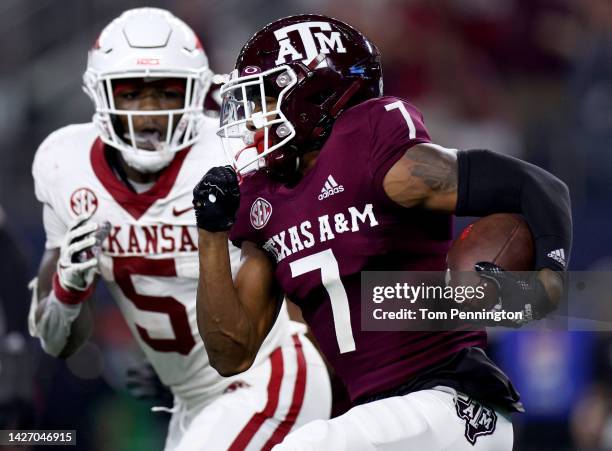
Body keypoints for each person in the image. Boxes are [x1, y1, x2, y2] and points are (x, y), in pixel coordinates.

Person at [193, 14, 572, 450]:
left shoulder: (370, 144)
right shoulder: (263, 202)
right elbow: (230, 353)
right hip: (382, 419)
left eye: (266, 97)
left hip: (453, 405)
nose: (254, 116)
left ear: (314, 93)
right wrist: (212, 233)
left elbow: (536, 186)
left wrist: (546, 282)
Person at [29, 8, 331, 451]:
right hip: (192, 401)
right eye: (131, 93)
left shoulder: (235, 151)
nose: (150, 112)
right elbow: (58, 342)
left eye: (167, 92)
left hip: (268, 376)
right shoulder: (63, 165)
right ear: (101, 93)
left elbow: (317, 262)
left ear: (196, 93)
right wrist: (68, 291)